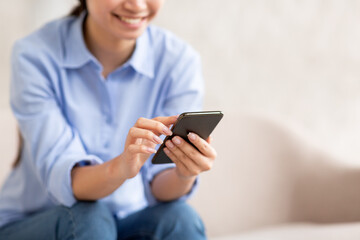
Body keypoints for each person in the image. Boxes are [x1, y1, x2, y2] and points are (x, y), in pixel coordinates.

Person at [0, 0, 217, 239]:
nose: (136, 5)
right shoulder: (35, 55)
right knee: (89, 217)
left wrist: (184, 172)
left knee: (181, 218)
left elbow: (160, 187)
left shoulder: (179, 61)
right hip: (36, 224)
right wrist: (122, 166)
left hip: (122, 223)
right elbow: (71, 183)